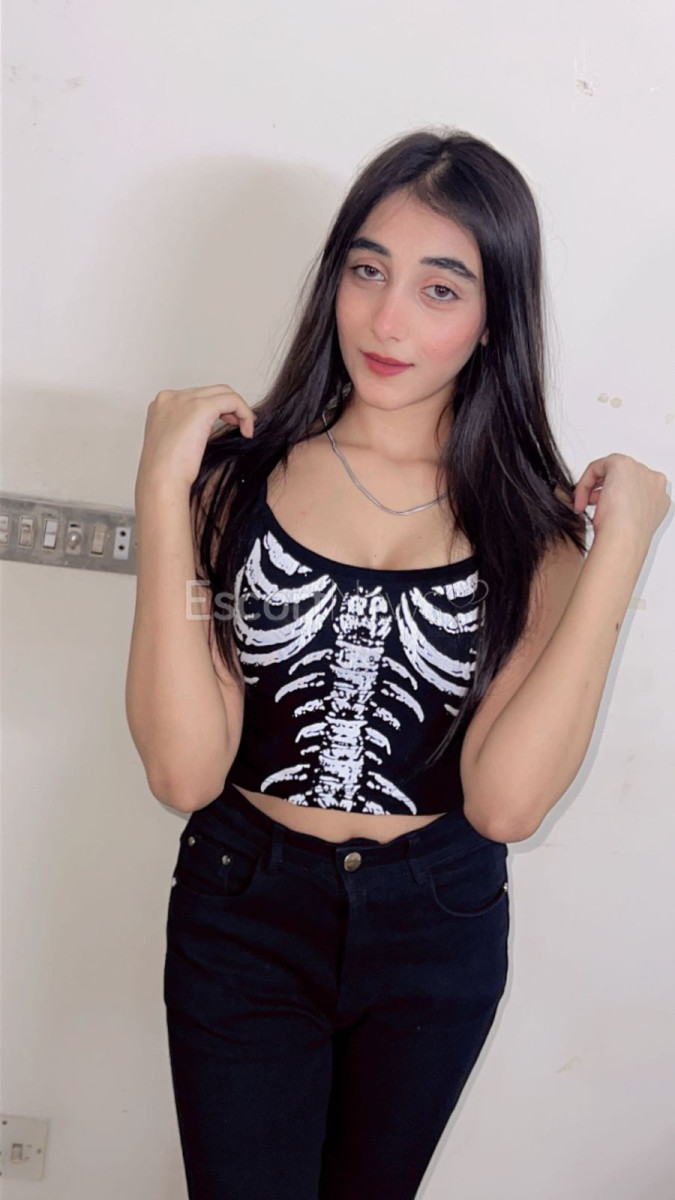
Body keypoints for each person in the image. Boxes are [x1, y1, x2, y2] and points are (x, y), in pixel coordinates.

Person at [125, 126, 671, 1200]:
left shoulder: (534, 538)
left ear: (493, 316)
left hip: (436, 923)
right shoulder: (236, 488)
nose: (387, 320)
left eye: (440, 289)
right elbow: (184, 773)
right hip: (245, 908)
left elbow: (507, 804)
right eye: (367, 270)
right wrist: (159, 489)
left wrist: (621, 549)